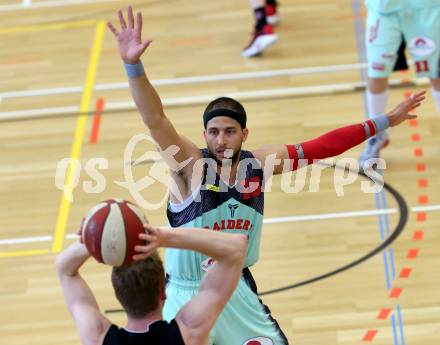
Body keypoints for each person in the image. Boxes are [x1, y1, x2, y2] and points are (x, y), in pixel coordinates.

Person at [107, 6, 426, 344]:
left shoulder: (259, 164)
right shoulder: (190, 166)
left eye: (229, 131)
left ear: (245, 134)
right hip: (185, 294)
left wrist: (383, 122)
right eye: (213, 132)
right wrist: (133, 66)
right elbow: (155, 118)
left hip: (235, 285)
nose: (220, 139)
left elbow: (323, 146)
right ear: (204, 135)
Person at [56, 223, 247, 345]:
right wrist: (162, 237)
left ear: (119, 296)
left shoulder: (97, 337)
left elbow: (64, 269)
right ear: (164, 292)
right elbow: (236, 248)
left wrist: (97, 234)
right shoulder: (190, 332)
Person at [360, 0, 440, 165]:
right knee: (376, 73)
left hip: (428, 8)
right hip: (384, 9)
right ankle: (377, 135)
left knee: (437, 74)